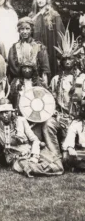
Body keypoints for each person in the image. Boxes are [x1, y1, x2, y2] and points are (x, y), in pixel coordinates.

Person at [0, 99, 63, 177]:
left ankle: (37, 166)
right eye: (1, 113)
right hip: (15, 157)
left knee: (57, 165)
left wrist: (34, 156)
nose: (4, 115)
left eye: (6, 112)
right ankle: (34, 168)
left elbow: (34, 140)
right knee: (28, 167)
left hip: (30, 151)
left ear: (12, 111)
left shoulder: (21, 120)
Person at [43, 26, 83, 157]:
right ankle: (55, 155)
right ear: (61, 61)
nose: (67, 62)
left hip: (78, 118)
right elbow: (50, 99)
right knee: (48, 125)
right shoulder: (55, 79)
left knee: (70, 152)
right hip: (60, 116)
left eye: (70, 59)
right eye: (64, 59)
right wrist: (55, 113)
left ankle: (70, 153)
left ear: (75, 60)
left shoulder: (82, 79)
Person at [29, 0, 65, 78]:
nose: (39, 0)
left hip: (51, 49)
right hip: (37, 49)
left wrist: (59, 53)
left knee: (52, 74)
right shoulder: (32, 16)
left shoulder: (54, 15)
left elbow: (60, 35)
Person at [8, 16, 50, 84]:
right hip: (19, 82)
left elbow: (45, 69)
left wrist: (44, 84)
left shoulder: (39, 47)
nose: (25, 32)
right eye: (22, 29)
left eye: (27, 29)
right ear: (18, 30)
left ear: (31, 30)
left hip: (36, 82)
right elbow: (12, 69)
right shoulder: (13, 48)